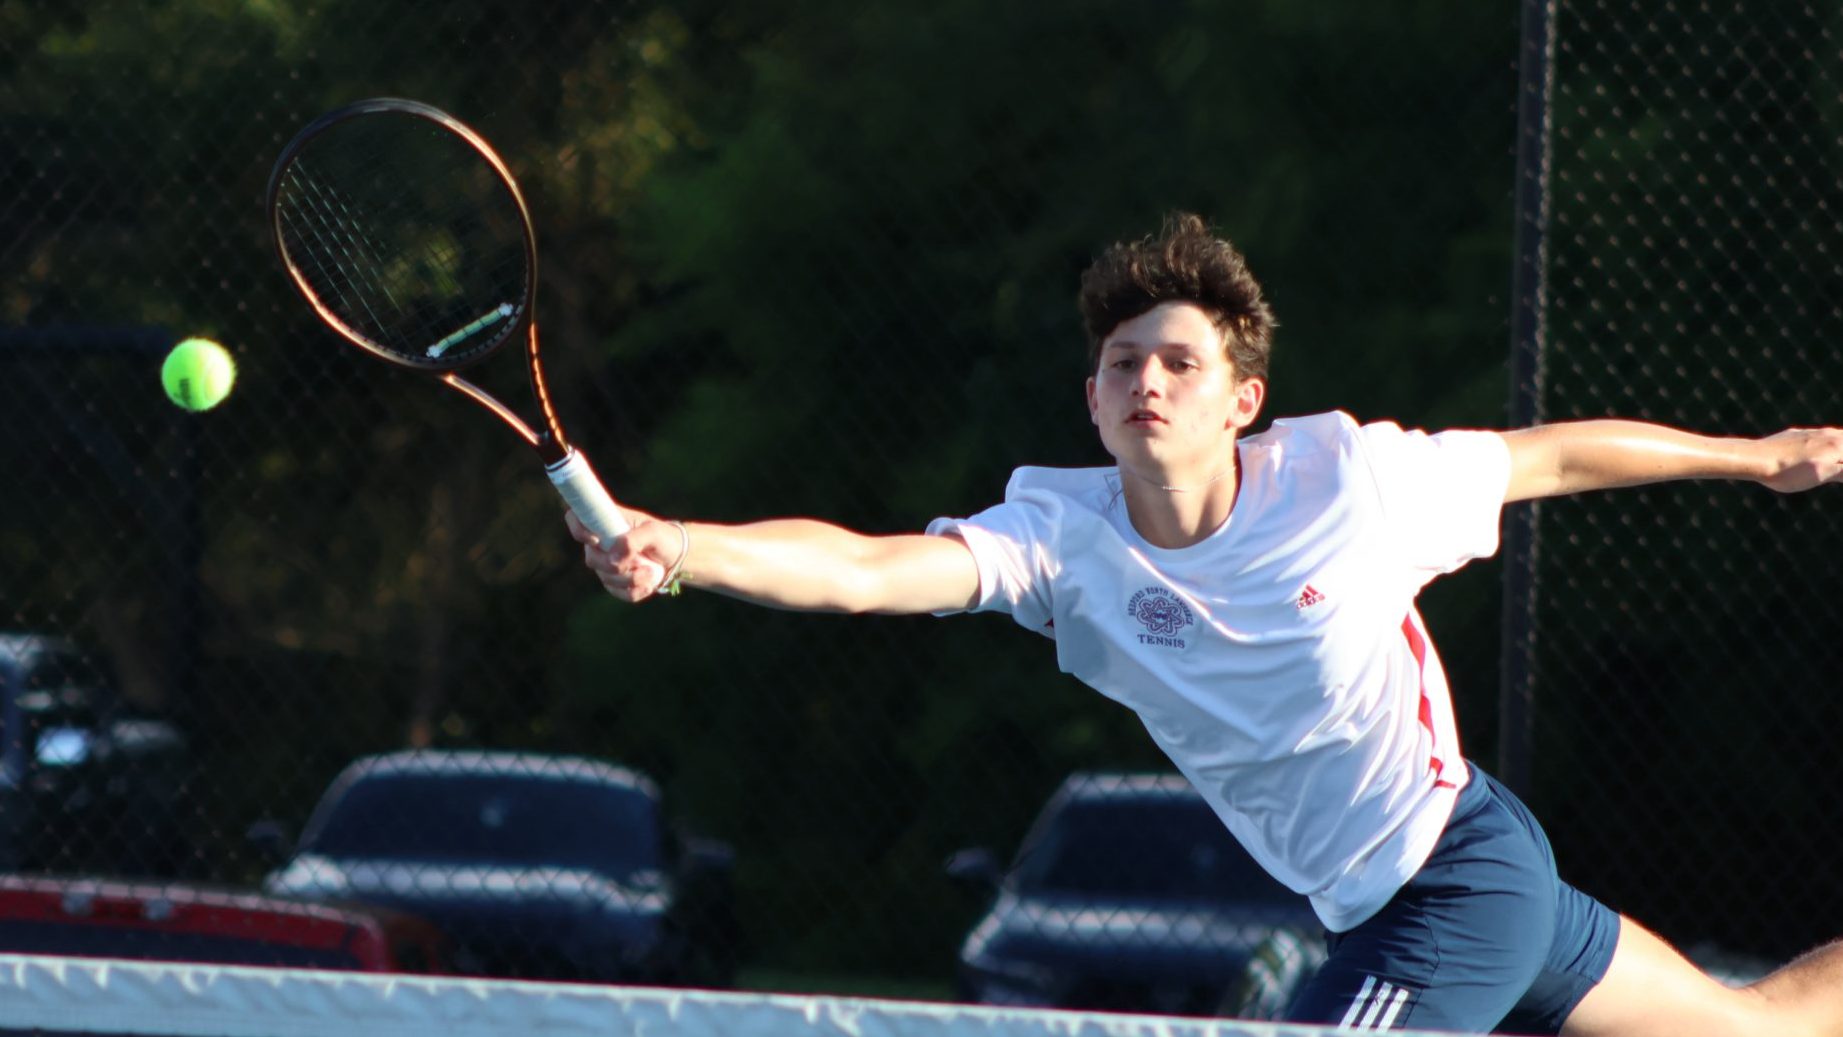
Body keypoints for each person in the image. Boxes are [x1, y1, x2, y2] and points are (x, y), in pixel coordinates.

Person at [567, 213, 1843, 1035]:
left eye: (1179, 361)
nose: (1148, 380)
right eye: (1123, 364)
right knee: (1765, 1024)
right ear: (1091, 400)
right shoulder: (1058, 540)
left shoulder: (1350, 482)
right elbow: (862, 569)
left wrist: (1754, 454)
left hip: (1454, 874)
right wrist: (681, 547)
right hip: (1380, 900)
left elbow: (1549, 457)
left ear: (1243, 399)